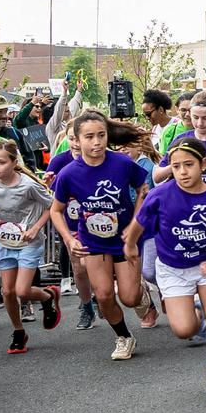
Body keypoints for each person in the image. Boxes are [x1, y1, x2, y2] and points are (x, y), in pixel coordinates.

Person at [128, 139, 206, 395]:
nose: (183, 172)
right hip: (172, 268)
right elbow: (139, 222)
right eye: (176, 167)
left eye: (189, 165)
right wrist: (130, 244)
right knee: (184, 330)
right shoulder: (159, 194)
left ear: (203, 165)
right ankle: (197, 317)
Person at [49, 110, 152, 360]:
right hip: (92, 241)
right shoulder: (69, 173)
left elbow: (143, 188)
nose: (96, 142)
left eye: (101, 135)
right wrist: (69, 238)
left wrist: (135, 224)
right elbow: (55, 210)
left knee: (129, 298)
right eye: (89, 137)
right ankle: (124, 337)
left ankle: (141, 291)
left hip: (125, 240)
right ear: (76, 139)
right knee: (104, 295)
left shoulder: (121, 163)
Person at [0, 139, 61, 355]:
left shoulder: (28, 185)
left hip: (29, 241)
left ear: (14, 163)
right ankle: (18, 331)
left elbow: (50, 207)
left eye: (1, 162)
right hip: (5, 241)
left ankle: (48, 297)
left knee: (22, 291)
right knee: (7, 291)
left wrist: (35, 229)